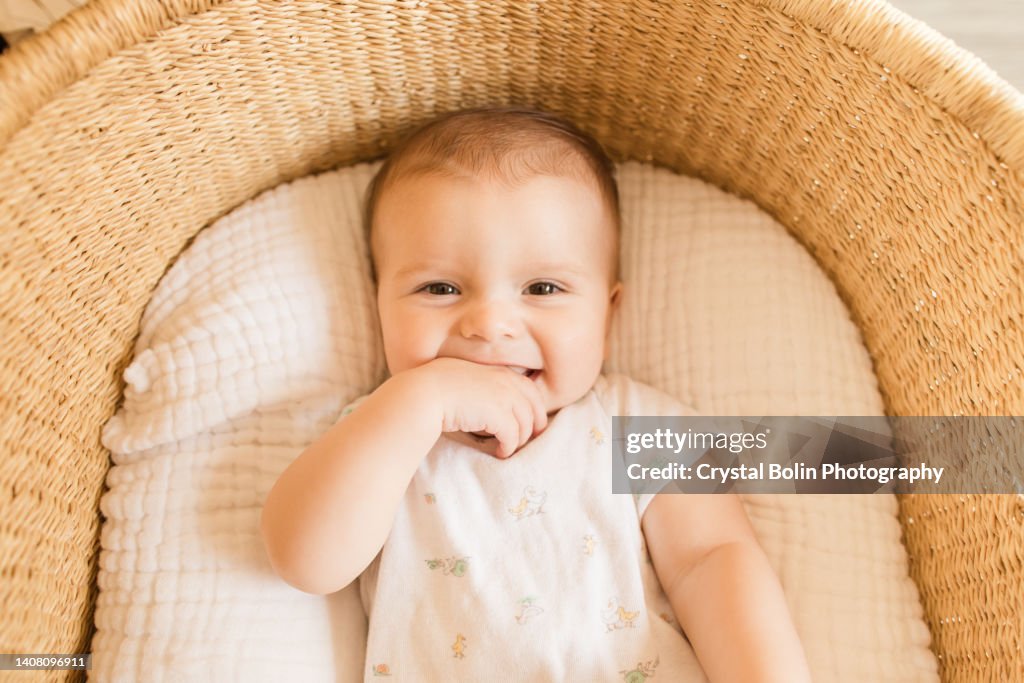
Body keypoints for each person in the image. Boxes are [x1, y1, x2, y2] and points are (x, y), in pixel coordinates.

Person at [260, 105, 812, 681]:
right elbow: (306, 562)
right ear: (377, 304)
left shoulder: (638, 424)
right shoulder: (383, 433)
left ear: (608, 313)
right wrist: (418, 403)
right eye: (439, 288)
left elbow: (712, 560)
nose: (491, 323)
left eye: (543, 288)